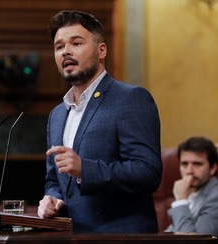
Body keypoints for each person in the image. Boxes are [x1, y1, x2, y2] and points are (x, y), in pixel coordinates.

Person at [37, 10, 162, 233]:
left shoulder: (130, 98)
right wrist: (51, 198)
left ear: (101, 50)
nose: (66, 51)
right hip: (70, 236)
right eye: (59, 46)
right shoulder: (57, 114)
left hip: (120, 236)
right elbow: (54, 179)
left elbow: (147, 172)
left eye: (76, 43)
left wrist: (85, 169)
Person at [165, 136, 218, 244]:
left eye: (197, 164)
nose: (189, 171)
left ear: (213, 168)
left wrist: (180, 201)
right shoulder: (192, 193)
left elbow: (192, 242)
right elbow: (170, 234)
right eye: (184, 164)